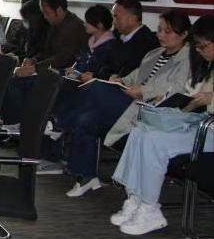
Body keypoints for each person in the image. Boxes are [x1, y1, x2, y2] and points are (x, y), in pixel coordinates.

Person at [60, 10, 191, 197]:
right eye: (160, 30)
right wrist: (120, 80)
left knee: (94, 87)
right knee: (87, 119)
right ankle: (86, 177)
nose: (161, 35)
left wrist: (142, 91)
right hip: (130, 100)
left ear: (184, 34)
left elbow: (176, 89)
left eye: (167, 31)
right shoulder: (155, 54)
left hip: (148, 108)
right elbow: (134, 76)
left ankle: (58, 125)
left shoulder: (187, 60)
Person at [109, 15, 214, 236]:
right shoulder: (205, 63)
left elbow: (207, 99)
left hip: (209, 130)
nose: (199, 50)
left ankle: (150, 209)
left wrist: (210, 99)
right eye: (197, 46)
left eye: (203, 46)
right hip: (197, 123)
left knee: (156, 141)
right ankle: (135, 197)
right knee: (140, 130)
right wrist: (171, 99)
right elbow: (191, 92)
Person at [39, 5, 118, 174]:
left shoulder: (109, 46)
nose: (84, 24)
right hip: (78, 81)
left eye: (88, 22)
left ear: (99, 25)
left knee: (58, 95)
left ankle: (56, 136)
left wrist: (78, 73)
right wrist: (70, 71)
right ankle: (51, 144)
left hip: (87, 88)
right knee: (53, 86)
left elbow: (97, 71)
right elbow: (81, 64)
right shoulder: (90, 42)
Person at [1, 0, 87, 125]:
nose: (45, 17)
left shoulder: (73, 27)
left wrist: (34, 68)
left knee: (15, 82)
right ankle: (14, 122)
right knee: (11, 77)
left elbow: (62, 58)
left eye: (47, 13)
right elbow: (47, 52)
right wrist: (33, 60)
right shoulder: (56, 24)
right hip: (50, 69)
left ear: (58, 10)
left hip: (65, 74)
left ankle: (17, 125)